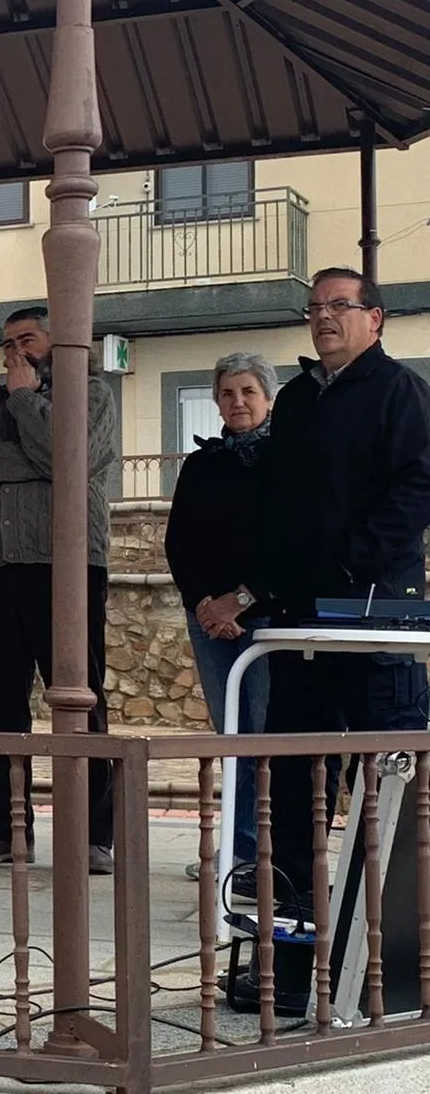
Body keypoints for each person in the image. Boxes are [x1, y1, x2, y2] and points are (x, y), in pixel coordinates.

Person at [255, 269, 430, 919]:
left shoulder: (402, 393)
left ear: (376, 318)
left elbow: (416, 491)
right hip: (301, 613)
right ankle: (296, 898)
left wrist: (353, 561)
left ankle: (389, 907)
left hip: (376, 608)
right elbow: (278, 500)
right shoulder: (298, 398)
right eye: (315, 306)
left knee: (386, 762)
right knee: (295, 764)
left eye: (340, 305)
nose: (324, 316)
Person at [0, 307, 119, 874]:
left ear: (58, 341)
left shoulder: (92, 395)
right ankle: (4, 830)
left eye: (27, 340)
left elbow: (75, 460)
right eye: (7, 344)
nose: (15, 353)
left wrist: (27, 403)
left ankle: (93, 835)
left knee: (80, 699)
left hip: (65, 566)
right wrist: (42, 460)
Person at [163, 352, 277, 886]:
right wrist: (206, 604)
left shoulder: (285, 459)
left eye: (248, 392)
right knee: (228, 734)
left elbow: (288, 539)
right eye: (228, 394)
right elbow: (178, 541)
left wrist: (242, 599)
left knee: (263, 736)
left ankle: (272, 859)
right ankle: (236, 853)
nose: (238, 403)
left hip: (266, 617)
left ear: (268, 397)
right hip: (209, 620)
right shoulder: (202, 465)